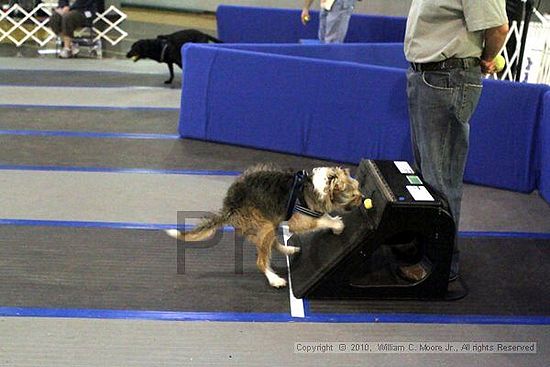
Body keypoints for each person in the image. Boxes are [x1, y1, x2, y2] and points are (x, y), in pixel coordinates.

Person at [402, 0, 509, 281]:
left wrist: (486, 58)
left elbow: (499, 27)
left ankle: (440, 264)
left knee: (441, 177)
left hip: (448, 76)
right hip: (427, 74)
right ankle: (425, 243)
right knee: (425, 173)